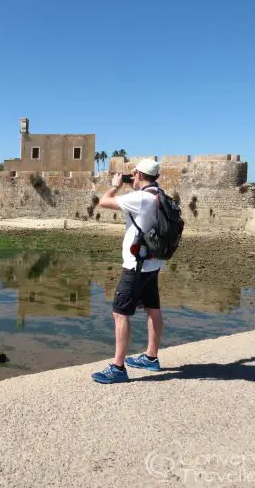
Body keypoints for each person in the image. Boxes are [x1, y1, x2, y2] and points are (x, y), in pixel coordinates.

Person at [91, 158, 164, 384]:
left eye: (134, 175)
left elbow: (103, 202)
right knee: (153, 308)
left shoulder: (140, 198)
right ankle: (151, 357)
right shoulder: (160, 195)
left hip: (135, 266)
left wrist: (115, 185)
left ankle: (118, 367)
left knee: (120, 313)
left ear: (139, 175)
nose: (131, 177)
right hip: (153, 263)